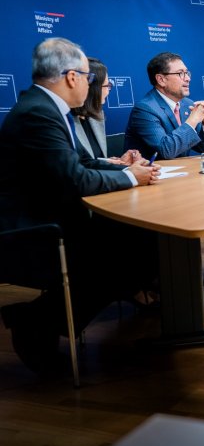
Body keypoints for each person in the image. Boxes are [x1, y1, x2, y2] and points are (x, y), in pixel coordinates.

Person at [0, 37, 160, 375]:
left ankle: (41, 319)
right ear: (72, 77)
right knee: (128, 248)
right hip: (35, 228)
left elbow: (80, 163)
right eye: (88, 77)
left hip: (52, 215)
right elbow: (75, 180)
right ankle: (34, 321)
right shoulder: (39, 114)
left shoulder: (45, 107)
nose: (91, 85)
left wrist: (122, 168)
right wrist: (130, 178)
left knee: (140, 238)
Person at [124, 51, 204, 160]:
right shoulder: (145, 109)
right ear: (161, 80)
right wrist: (192, 121)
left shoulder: (187, 104)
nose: (188, 78)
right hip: (151, 170)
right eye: (180, 73)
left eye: (187, 73)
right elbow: (166, 151)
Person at [72, 57, 142, 164]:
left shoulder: (96, 116)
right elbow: (76, 166)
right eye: (106, 86)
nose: (108, 91)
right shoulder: (63, 120)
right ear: (91, 88)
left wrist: (117, 163)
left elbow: (92, 161)